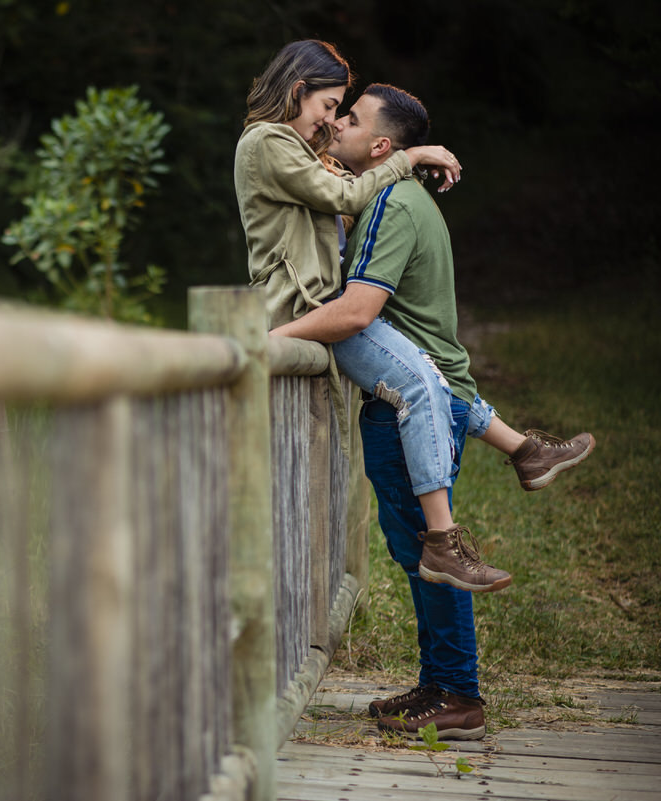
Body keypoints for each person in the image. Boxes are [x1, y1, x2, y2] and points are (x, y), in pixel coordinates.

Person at [269, 83, 594, 739]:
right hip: (434, 397)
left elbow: (359, 310)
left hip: (408, 406)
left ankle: (457, 696)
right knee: (422, 550)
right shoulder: (397, 195)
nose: (337, 123)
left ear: (383, 145)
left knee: (430, 551)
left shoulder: (394, 202)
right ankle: (440, 681)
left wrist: (270, 337)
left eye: (351, 119)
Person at [236, 41, 594, 596]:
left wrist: (397, 163)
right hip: (302, 305)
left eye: (341, 112)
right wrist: (410, 156)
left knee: (428, 379)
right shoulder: (267, 140)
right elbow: (341, 194)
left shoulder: (300, 147)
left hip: (317, 305)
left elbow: (347, 200)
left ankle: (523, 455)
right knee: (425, 383)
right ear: (296, 90)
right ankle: (447, 537)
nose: (331, 122)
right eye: (329, 107)